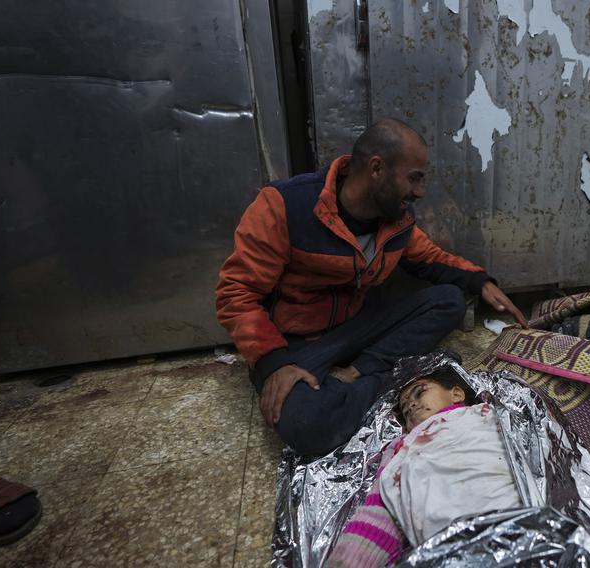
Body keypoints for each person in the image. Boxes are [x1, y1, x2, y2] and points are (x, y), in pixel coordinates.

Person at [216, 118, 526, 455]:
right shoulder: (283, 205)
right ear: (377, 168)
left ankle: (358, 373)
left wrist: (479, 281)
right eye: (414, 178)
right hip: (297, 345)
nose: (419, 192)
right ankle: (387, 380)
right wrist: (274, 363)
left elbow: (430, 258)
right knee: (308, 426)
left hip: (357, 327)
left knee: (449, 301)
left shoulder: (396, 221)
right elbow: (237, 293)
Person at [326, 368, 523, 567]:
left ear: (456, 394)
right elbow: (379, 512)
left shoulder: (485, 414)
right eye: (404, 409)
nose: (410, 405)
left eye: (420, 392)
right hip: (453, 548)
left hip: (516, 523)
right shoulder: (402, 448)